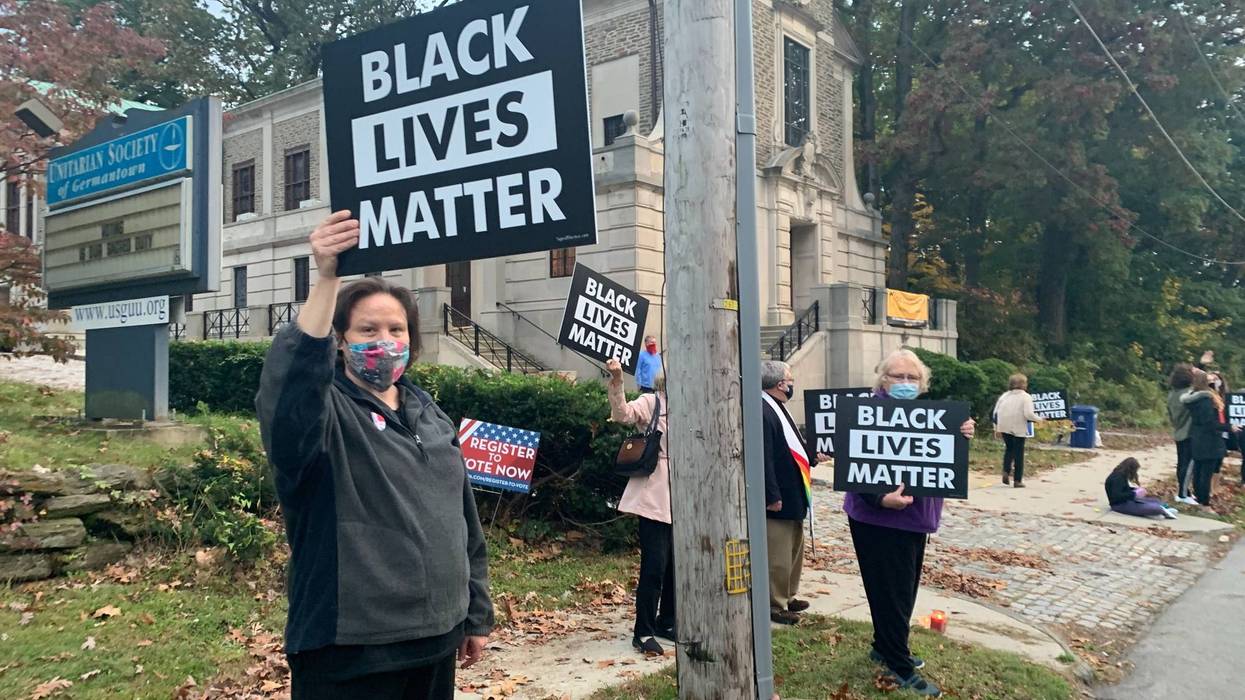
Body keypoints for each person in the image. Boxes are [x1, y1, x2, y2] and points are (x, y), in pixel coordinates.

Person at [256, 211, 494, 699]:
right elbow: (289, 396)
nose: (385, 341)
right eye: (368, 330)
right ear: (340, 342)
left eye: (396, 329)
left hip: (436, 643)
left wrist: (475, 612)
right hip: (351, 653)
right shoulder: (325, 415)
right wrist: (327, 279)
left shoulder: (430, 414)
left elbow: (462, 519)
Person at [844, 348, 975, 698]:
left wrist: (960, 433)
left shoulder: (928, 415)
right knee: (893, 593)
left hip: (916, 520)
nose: (905, 382)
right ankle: (898, 663)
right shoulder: (866, 411)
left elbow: (942, 461)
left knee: (902, 589)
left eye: (912, 377)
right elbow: (853, 464)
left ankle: (884, 646)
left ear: (922, 382)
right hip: (879, 520)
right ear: (882, 379)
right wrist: (880, 498)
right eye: (897, 376)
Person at [605, 356, 674, 656]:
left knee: (676, 567)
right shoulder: (652, 402)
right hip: (654, 497)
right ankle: (643, 631)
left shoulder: (692, 406)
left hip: (684, 497)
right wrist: (618, 380)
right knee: (654, 566)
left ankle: (667, 621)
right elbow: (622, 414)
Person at [760, 360, 829, 625]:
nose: (792, 385)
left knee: (794, 549)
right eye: (790, 380)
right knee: (778, 553)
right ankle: (774, 604)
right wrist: (771, 494)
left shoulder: (779, 407)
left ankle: (789, 594)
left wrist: (812, 456)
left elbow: (794, 445)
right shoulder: (764, 409)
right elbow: (766, 456)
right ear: (780, 384)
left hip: (795, 492)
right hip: (780, 495)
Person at [1181, 372, 1240, 509]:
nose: (1214, 382)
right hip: (1210, 440)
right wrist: (1229, 427)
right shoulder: (1206, 401)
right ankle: (1204, 502)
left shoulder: (1192, 399)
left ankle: (1198, 498)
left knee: (1199, 471)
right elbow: (1210, 423)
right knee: (1206, 473)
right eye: (1211, 380)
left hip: (1197, 437)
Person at [991, 374, 1044, 488]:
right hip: (1018, 426)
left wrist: (996, 428)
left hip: (1004, 425)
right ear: (1024, 384)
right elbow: (1028, 414)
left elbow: (995, 413)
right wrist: (1040, 419)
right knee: (1019, 453)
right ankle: (1017, 480)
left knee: (1009, 449)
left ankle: (1006, 470)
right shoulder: (1026, 397)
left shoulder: (1005, 396)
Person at [1104, 457, 1178, 520]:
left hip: (1127, 501)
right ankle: (1158, 511)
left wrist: (1134, 490)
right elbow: (1117, 496)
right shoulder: (1117, 478)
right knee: (1155, 508)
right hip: (1119, 505)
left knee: (1156, 500)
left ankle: (1160, 511)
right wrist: (1134, 494)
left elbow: (1123, 489)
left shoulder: (1121, 475)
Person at [1166, 364, 1197, 505]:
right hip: (1189, 433)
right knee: (1188, 465)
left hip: (1178, 431)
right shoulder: (1189, 394)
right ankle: (1183, 494)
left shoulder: (1172, 394)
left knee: (1181, 464)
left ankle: (1184, 492)